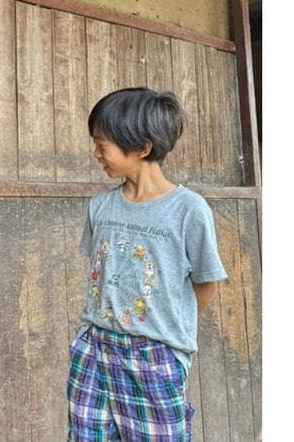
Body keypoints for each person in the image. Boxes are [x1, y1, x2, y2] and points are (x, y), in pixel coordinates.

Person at [67, 87, 227, 441]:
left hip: (154, 359)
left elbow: (206, 284)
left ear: (142, 147)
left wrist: (166, 332)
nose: (96, 154)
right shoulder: (100, 206)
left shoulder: (189, 211)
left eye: (102, 144)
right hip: (94, 350)